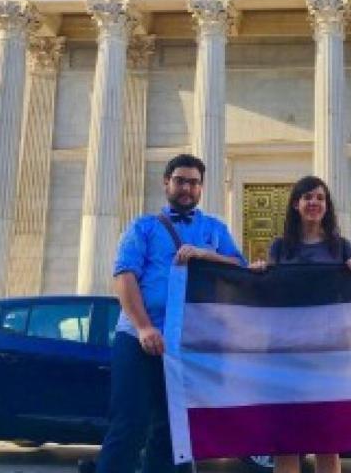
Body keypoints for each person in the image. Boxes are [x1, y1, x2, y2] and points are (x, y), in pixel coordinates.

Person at [91, 154, 246, 473]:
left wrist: (204, 254)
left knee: (173, 433)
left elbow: (239, 269)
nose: (187, 188)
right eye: (180, 180)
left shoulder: (214, 229)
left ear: (201, 188)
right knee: (128, 426)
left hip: (186, 347)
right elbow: (124, 276)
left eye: (194, 182)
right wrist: (145, 327)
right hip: (138, 340)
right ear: (166, 183)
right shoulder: (143, 227)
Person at [262, 175, 351, 473]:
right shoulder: (279, 248)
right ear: (296, 204)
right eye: (307, 197)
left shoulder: (341, 247)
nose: (314, 203)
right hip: (284, 353)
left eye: (320, 198)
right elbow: (268, 293)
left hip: (329, 353)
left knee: (326, 440)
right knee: (286, 440)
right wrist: (257, 275)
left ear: (326, 206)